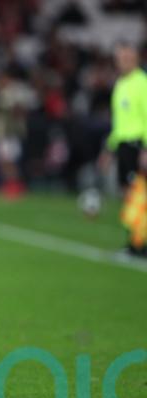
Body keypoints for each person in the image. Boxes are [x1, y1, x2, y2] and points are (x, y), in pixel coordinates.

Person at [99, 41, 147, 256]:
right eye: (120, 58)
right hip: (123, 145)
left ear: (136, 59)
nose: (124, 62)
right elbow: (119, 122)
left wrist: (146, 148)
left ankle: (139, 246)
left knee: (139, 195)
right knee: (127, 194)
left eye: (128, 58)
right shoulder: (120, 84)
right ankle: (134, 243)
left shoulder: (142, 83)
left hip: (138, 144)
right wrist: (109, 149)